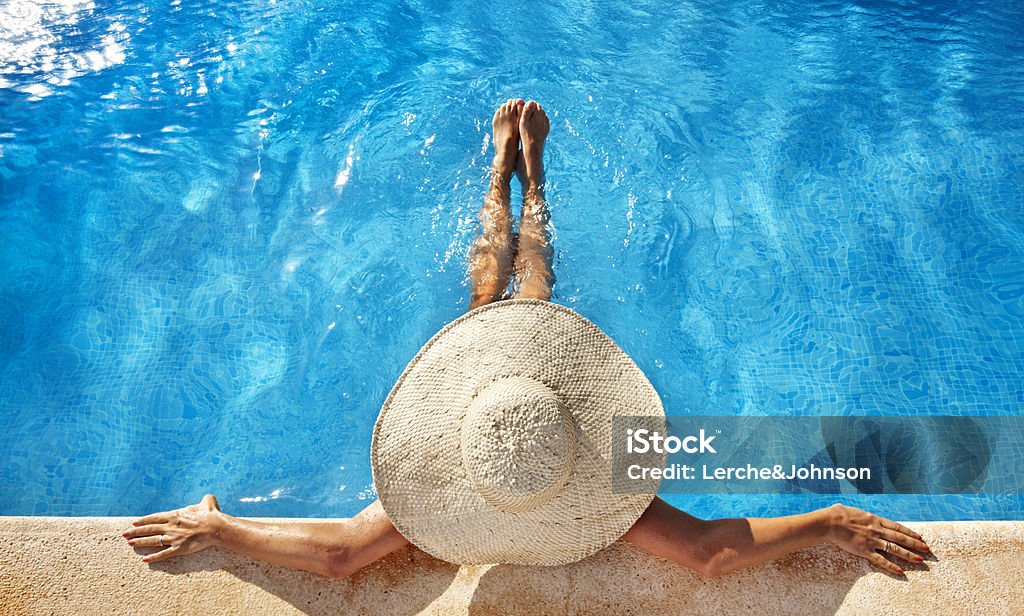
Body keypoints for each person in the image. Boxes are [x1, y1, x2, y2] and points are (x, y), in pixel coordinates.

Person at [123, 99, 929, 580]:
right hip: (527, 403)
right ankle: (530, 175)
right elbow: (711, 554)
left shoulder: (426, 505)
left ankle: (505, 170)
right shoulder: (613, 484)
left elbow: (338, 558)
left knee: (491, 296)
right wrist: (830, 519)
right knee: (523, 296)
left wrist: (217, 528)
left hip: (501, 408)